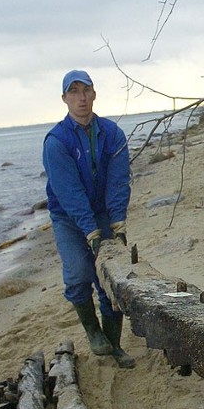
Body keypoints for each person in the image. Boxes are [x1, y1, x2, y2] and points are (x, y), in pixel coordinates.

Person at [43, 69, 135, 369]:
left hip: (105, 213)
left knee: (111, 277)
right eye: (74, 92)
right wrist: (90, 233)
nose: (81, 98)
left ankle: (115, 344)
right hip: (68, 217)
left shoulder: (112, 134)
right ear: (64, 98)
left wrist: (116, 225)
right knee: (79, 274)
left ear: (94, 94)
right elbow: (68, 192)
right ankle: (94, 333)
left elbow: (119, 182)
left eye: (86, 90)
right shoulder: (56, 141)